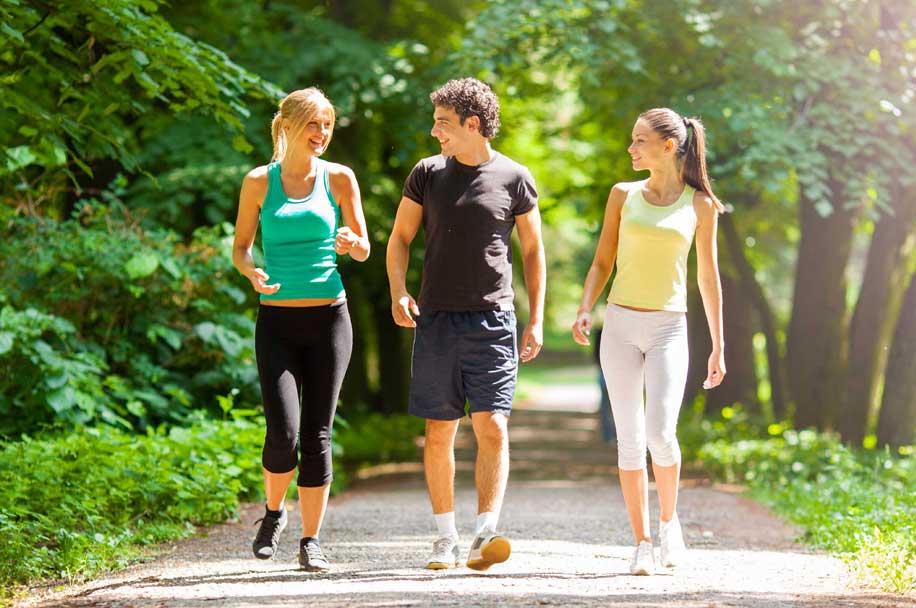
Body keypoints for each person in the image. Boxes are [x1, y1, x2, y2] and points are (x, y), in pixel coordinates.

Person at [386, 77, 546, 571]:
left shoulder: (515, 177)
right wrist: (399, 291)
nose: (435, 132)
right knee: (439, 431)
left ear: (472, 124)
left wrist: (536, 318)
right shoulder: (427, 174)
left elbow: (534, 251)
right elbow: (398, 239)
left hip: (494, 319)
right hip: (436, 320)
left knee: (493, 426)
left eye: (442, 123)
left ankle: (484, 534)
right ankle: (445, 538)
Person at [571, 108, 725, 575]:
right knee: (629, 439)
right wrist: (584, 306)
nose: (631, 149)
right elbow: (602, 261)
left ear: (668, 146)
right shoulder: (622, 195)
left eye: (639, 141)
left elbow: (708, 278)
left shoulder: (700, 205)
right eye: (631, 140)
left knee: (661, 432)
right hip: (618, 325)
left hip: (668, 328)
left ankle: (668, 522)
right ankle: (640, 542)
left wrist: (719, 345)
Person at [232, 87, 370, 571]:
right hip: (277, 322)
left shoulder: (339, 179)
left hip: (330, 317)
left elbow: (363, 246)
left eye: (328, 125)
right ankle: (273, 513)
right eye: (313, 123)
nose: (322, 133)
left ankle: (311, 540)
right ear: (287, 125)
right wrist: (251, 272)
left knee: (318, 434)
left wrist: (352, 242)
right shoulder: (258, 182)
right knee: (283, 432)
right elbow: (242, 247)